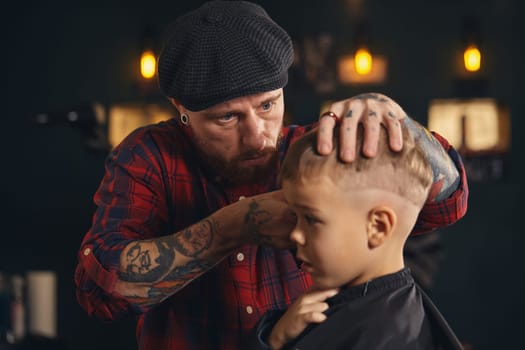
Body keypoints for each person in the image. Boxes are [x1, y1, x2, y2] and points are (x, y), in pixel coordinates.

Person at [74, 1, 468, 349]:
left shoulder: (321, 153)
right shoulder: (149, 156)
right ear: (181, 109)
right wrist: (235, 226)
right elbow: (99, 291)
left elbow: (448, 204)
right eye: (227, 117)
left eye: (268, 105)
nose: (257, 136)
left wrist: (399, 120)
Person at [249, 124, 464, 350]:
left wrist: (274, 341)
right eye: (295, 217)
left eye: (311, 219)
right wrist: (276, 336)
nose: (295, 234)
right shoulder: (373, 310)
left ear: (378, 227)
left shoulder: (384, 337)